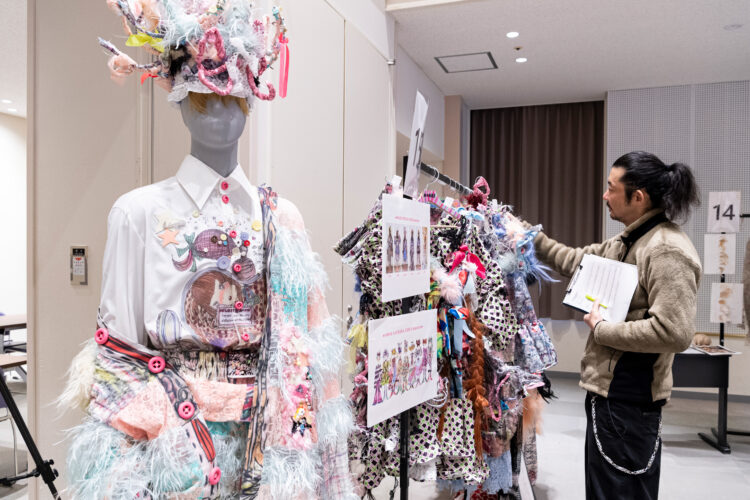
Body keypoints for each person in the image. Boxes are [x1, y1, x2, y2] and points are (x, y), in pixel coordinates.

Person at [532, 151, 701, 499]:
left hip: (629, 400)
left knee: (620, 491)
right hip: (612, 397)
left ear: (638, 197)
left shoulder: (666, 250)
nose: (604, 195)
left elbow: (674, 332)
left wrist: (602, 329)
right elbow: (576, 261)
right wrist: (528, 237)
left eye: (611, 188)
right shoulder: (628, 242)